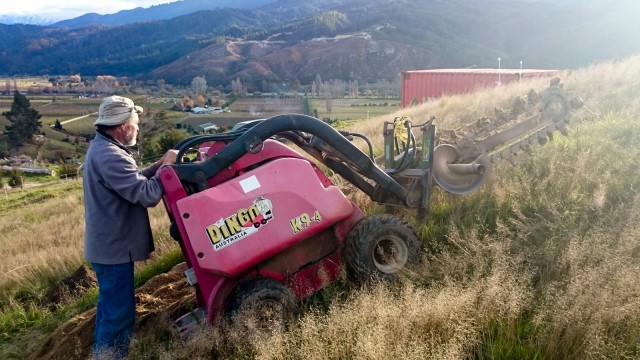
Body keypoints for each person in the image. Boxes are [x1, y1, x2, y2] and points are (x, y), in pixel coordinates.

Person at [83, 95, 178, 359]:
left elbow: (132, 182)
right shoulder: (111, 155)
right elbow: (147, 195)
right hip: (113, 251)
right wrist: (167, 167)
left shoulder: (103, 148)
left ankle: (102, 354)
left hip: (106, 248)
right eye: (135, 123)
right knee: (119, 317)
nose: (138, 128)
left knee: (109, 311)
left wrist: (158, 166)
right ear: (123, 125)